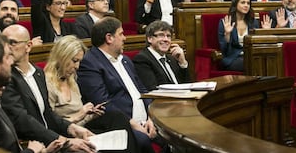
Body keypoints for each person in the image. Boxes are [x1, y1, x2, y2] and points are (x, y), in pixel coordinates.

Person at [0, 25, 96, 153]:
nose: (6, 48)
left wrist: (71, 128)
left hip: (49, 140)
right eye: (3, 43)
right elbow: (21, 120)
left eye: (12, 43)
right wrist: (63, 141)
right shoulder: (6, 77)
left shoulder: (38, 72)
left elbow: (47, 113)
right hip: (30, 146)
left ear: (28, 46)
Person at [45, 35, 141, 152]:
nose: (77, 66)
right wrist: (78, 115)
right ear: (61, 57)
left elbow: (81, 119)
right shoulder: (47, 84)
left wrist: (91, 115)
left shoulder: (71, 80)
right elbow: (49, 126)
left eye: (79, 61)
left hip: (82, 130)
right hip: (66, 136)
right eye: (74, 61)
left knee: (118, 118)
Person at [77, 17, 157, 153]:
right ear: (109, 38)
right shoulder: (90, 63)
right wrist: (132, 123)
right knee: (142, 140)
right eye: (121, 34)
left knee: (176, 136)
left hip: (146, 121)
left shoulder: (125, 60)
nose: (125, 38)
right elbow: (102, 102)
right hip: (121, 125)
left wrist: (151, 117)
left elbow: (142, 90)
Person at [218, 0, 271, 71]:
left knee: (267, 63)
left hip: (251, 56)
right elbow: (224, 49)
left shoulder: (253, 22)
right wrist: (228, 34)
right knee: (251, 64)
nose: (246, 5)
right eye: (243, 3)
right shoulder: (226, 22)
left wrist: (264, 33)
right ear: (235, 5)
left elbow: (257, 44)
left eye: (248, 3)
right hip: (233, 58)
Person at [133, 20, 189, 91]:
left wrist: (183, 63)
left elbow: (187, 85)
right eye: (161, 35)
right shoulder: (142, 59)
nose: (166, 39)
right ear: (150, 38)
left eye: (168, 36)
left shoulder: (172, 58)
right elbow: (152, 89)